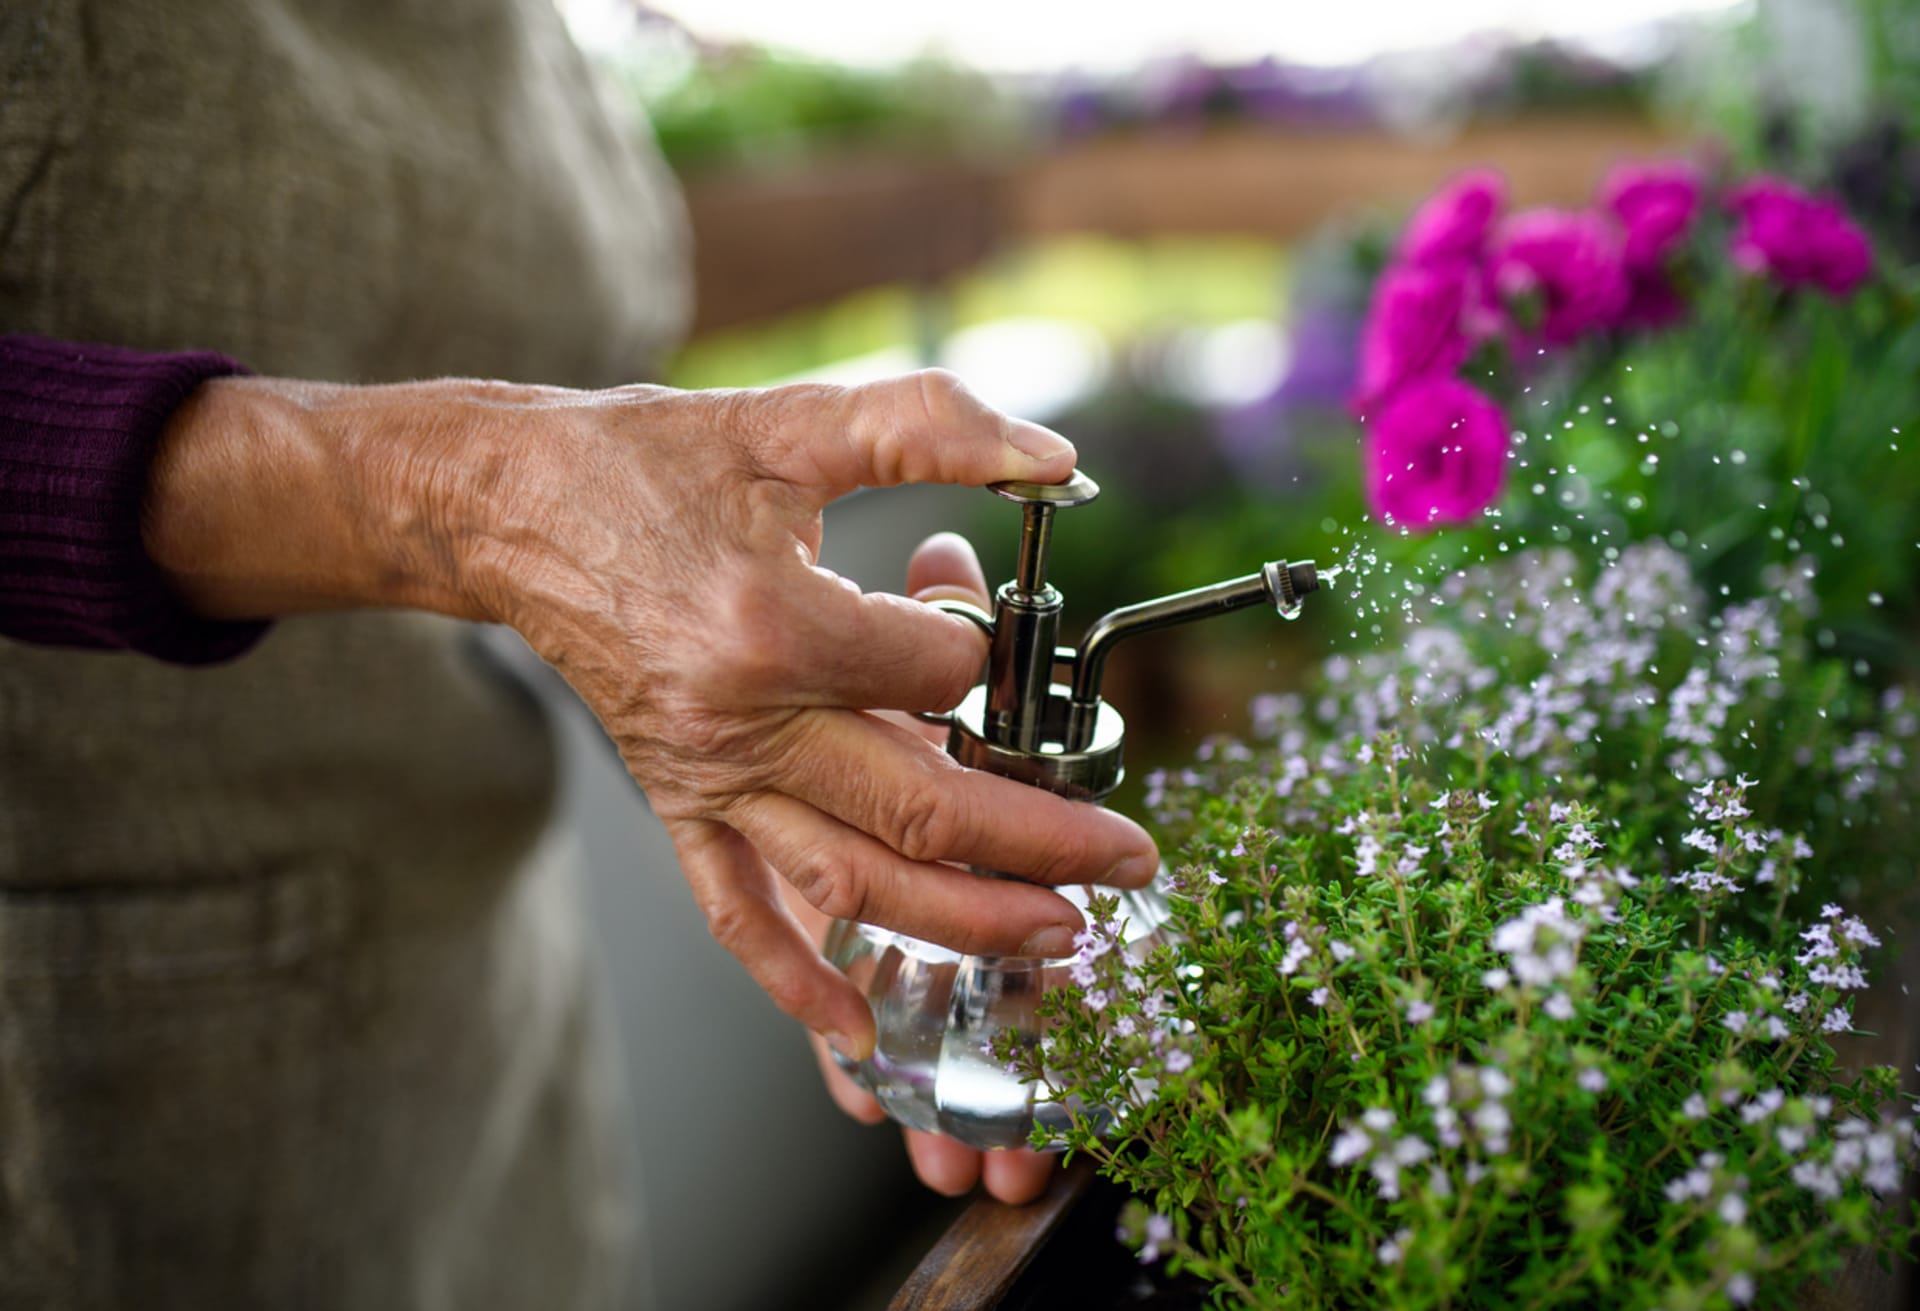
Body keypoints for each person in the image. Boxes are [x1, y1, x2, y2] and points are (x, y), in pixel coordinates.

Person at [0, 1, 1156, 1305]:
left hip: (471, 970)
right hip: (91, 1045)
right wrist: (472, 505)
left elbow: (563, 387)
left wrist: (743, 679)